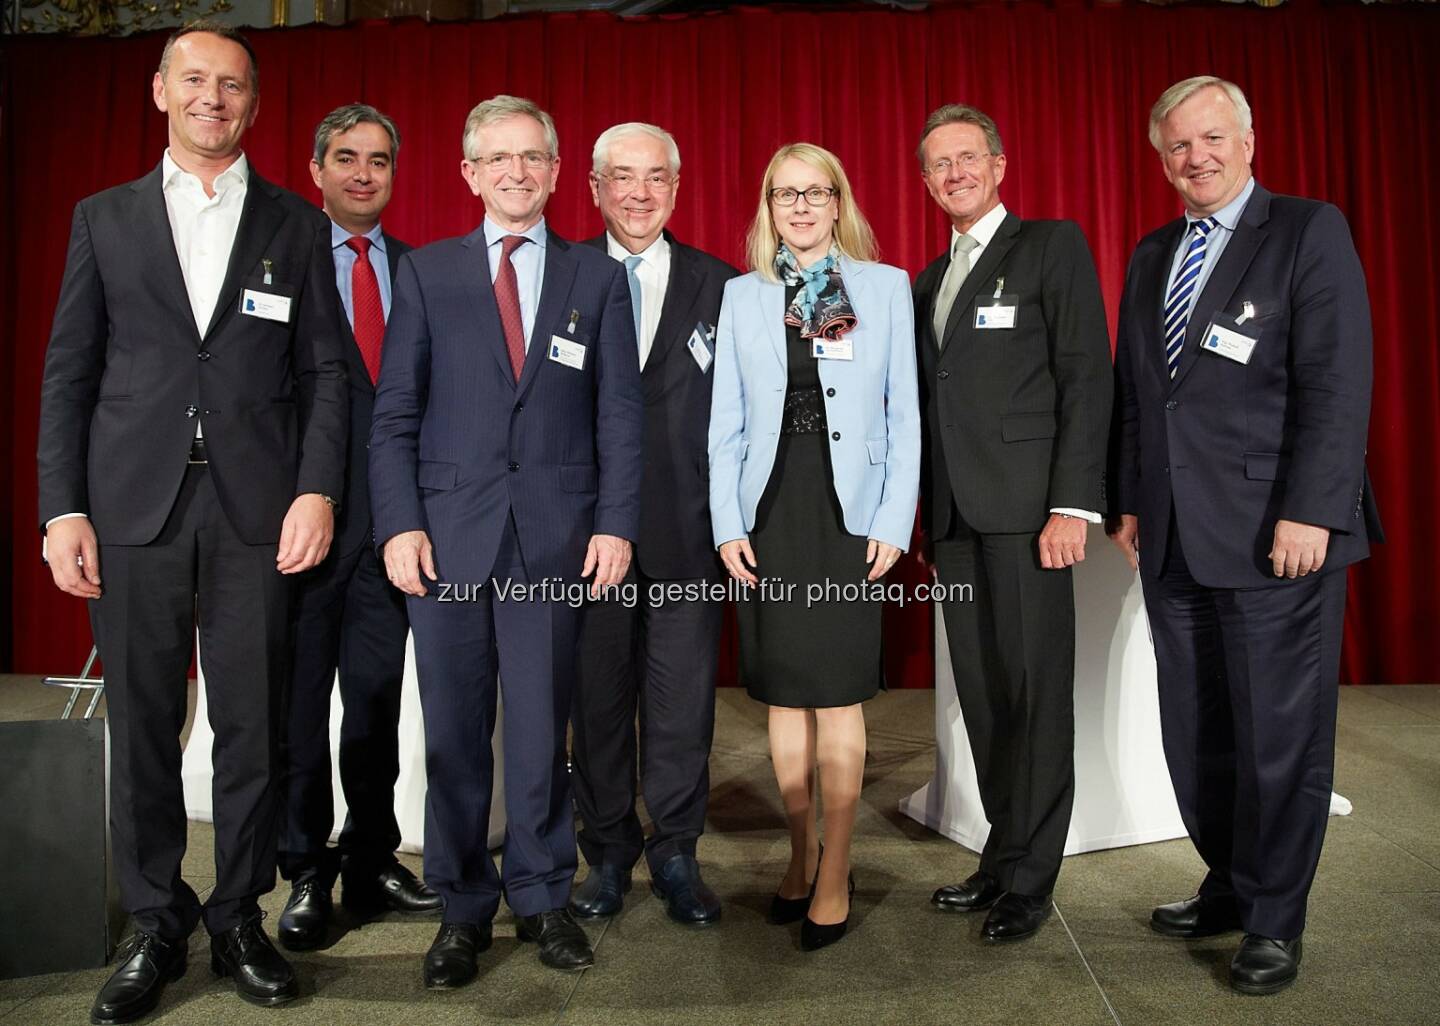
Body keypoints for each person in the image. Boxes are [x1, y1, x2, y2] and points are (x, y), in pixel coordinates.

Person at [35, 20, 347, 1022]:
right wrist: (62, 507)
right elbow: (70, 374)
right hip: (133, 509)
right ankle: (156, 923)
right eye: (196, 80)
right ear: (161, 92)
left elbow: (326, 372)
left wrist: (317, 487)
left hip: (259, 510)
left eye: (235, 85)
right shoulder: (104, 219)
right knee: (142, 726)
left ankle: (238, 919)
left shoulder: (297, 224)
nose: (215, 97)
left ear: (254, 104)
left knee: (253, 725)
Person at [1108, 75, 1382, 995]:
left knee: (1279, 737)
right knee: (1197, 730)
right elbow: (1143, 396)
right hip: (1176, 538)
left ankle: (1275, 918)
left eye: (1213, 138)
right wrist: (1133, 500)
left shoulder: (1307, 230)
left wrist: (1316, 507)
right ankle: (1227, 880)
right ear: (1161, 159)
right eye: (1178, 146)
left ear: (1248, 139)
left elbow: (1338, 385)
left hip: (1279, 535)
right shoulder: (1152, 255)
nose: (1198, 158)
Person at [368, 94, 643, 989]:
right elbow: (395, 413)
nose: (516, 172)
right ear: (469, 173)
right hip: (444, 541)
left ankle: (541, 895)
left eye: (533, 157)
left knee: (537, 733)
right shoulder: (429, 275)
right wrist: (400, 521)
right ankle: (459, 910)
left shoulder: (597, 280)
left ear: (558, 172)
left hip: (554, 543)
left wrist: (614, 524)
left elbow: (619, 417)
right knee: (452, 736)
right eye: (498, 158)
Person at [708, 142, 920, 952]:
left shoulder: (883, 287)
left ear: (838, 202)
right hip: (768, 514)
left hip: (847, 516)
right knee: (783, 693)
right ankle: (800, 853)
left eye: (814, 192)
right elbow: (724, 424)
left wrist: (894, 522)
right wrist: (727, 521)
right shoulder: (742, 297)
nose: (798, 207)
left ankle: (839, 866)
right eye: (782, 194)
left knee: (835, 693)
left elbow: (904, 417)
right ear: (767, 208)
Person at [913, 104, 1112, 942]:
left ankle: (1033, 878)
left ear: (998, 163)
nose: (954, 174)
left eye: (967, 158)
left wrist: (1072, 504)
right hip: (956, 516)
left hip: (1033, 514)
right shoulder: (928, 279)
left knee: (1034, 694)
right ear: (924, 180)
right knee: (988, 696)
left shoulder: (1050, 245)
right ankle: (1003, 852)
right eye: (937, 164)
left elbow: (1084, 375)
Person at [275, 103, 442, 954]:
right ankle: (305, 868)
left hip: (390, 535)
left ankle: (370, 855)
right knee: (301, 709)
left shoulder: (416, 272)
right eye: (346, 157)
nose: (363, 174)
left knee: (374, 704)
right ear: (317, 168)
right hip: (300, 528)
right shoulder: (277, 262)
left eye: (380, 159)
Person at [569, 123, 738, 925]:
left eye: (657, 178)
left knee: (681, 709)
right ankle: (605, 853)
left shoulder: (723, 284)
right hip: (584, 539)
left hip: (688, 534)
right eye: (623, 177)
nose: (640, 193)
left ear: (678, 186)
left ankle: (675, 850)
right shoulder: (559, 277)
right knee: (596, 706)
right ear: (594, 187)